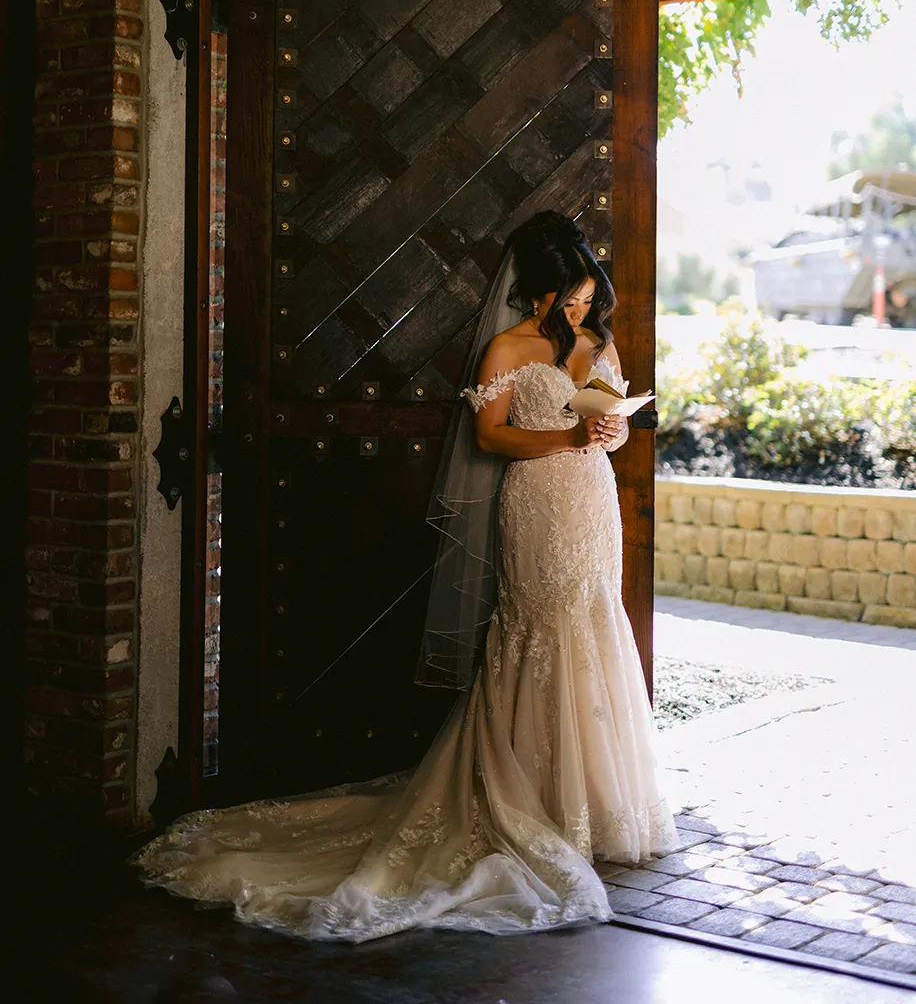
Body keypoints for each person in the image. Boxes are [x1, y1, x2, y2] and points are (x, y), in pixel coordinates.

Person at [134, 211, 680, 941]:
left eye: (586, 298)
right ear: (537, 293)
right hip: (538, 502)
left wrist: (610, 431)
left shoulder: (599, 343)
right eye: (568, 300)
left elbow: (608, 424)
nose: (580, 311)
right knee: (538, 630)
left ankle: (598, 803)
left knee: (593, 622)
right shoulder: (507, 348)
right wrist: (569, 434)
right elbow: (490, 436)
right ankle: (529, 799)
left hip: (590, 501)